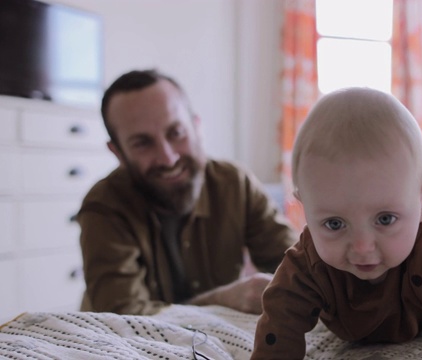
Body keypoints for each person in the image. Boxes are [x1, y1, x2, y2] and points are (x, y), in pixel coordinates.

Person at [252, 87, 422, 359]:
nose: (362, 247)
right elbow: (279, 319)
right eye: (335, 224)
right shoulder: (307, 262)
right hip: (374, 320)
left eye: (385, 219)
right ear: (305, 209)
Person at [77, 69, 297, 316]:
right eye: (142, 143)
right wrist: (220, 300)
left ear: (196, 126)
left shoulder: (235, 183)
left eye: (176, 133)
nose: (168, 158)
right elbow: (124, 318)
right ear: (118, 153)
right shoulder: (104, 206)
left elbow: (297, 266)